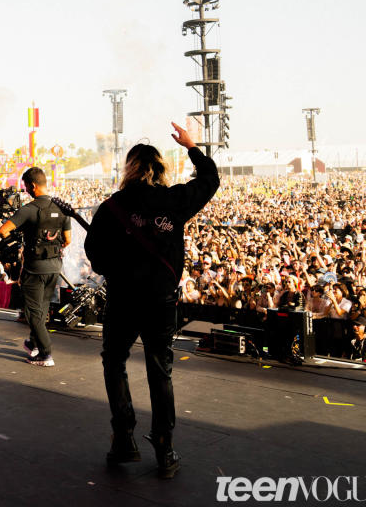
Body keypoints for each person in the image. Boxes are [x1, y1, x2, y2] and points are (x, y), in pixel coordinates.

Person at [84, 122, 219, 479]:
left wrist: (119, 269)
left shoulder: (112, 207)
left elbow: (94, 253)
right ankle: (164, 445)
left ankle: (124, 437)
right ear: (160, 169)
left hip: (123, 300)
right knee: (160, 370)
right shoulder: (174, 201)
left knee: (114, 362)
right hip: (161, 302)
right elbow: (210, 179)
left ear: (128, 169)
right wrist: (191, 146)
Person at [0, 167, 73, 367]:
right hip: (54, 267)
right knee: (43, 308)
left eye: (26, 187)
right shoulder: (61, 208)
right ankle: (34, 343)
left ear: (32, 185)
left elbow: (3, 230)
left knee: (32, 313)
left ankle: (46, 354)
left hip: (34, 269)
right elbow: (67, 240)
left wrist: (20, 240)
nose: (26, 191)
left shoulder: (29, 210)